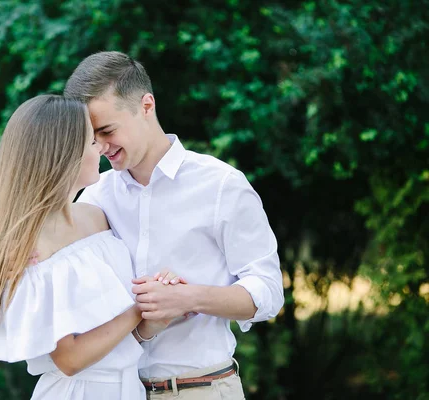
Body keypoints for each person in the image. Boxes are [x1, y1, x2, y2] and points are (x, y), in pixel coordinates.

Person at [65, 51, 284, 399]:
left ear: (146, 105)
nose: (101, 146)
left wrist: (188, 297)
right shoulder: (95, 197)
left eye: (107, 130)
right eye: (91, 137)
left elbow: (269, 291)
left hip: (204, 389)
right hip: (119, 391)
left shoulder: (221, 185)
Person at [0, 95, 182, 400]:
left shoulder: (95, 217)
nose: (102, 148)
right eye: (92, 142)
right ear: (64, 154)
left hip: (129, 389)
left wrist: (158, 305)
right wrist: (140, 309)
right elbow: (69, 359)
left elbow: (112, 334)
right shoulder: (28, 246)